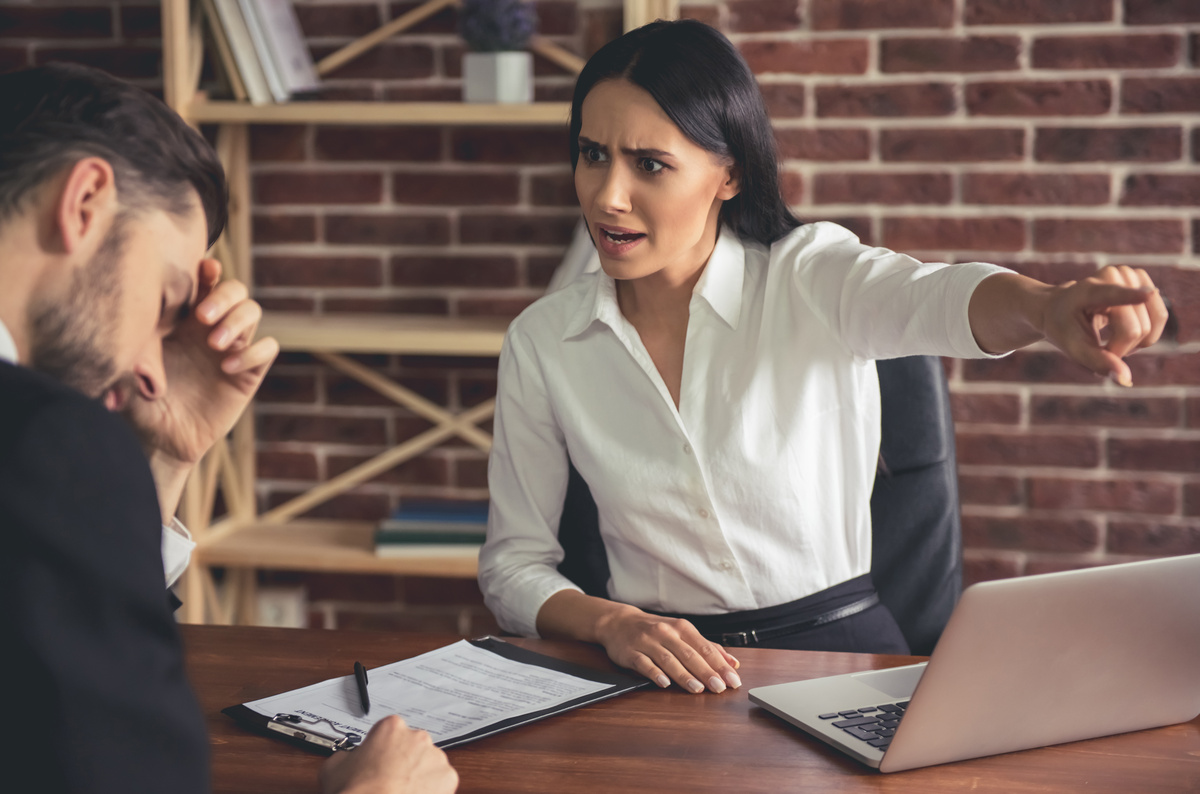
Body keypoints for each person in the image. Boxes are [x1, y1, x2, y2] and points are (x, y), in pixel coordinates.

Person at [478, 21, 1168, 698]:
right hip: (667, 670)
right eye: (592, 154)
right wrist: (612, 623)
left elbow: (932, 296)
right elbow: (513, 566)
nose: (607, 196)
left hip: (839, 659)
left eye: (650, 165)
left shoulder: (809, 277)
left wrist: (1043, 308)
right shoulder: (544, 342)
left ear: (730, 175)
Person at [0, 63, 456, 794]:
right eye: (166, 300)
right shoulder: (50, 444)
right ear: (84, 201)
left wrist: (162, 454)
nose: (150, 370)